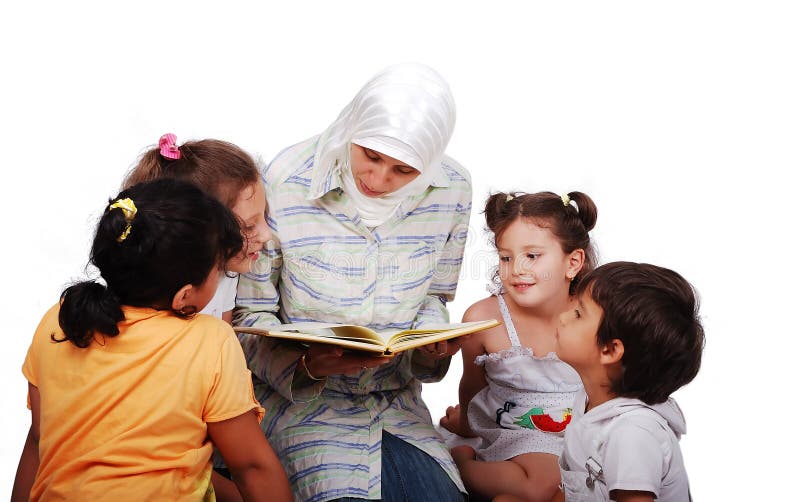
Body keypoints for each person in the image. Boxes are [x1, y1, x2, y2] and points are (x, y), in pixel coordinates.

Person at [235, 63, 472, 501]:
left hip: (398, 407)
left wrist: (431, 346)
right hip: (301, 408)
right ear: (354, 127)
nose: (379, 180)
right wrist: (307, 366)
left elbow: (434, 297)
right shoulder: (286, 179)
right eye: (372, 156)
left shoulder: (453, 189)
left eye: (404, 171)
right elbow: (248, 318)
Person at [11, 179, 291, 502]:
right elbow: (253, 467)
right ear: (184, 295)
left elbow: (38, 441)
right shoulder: (209, 340)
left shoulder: (59, 320)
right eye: (217, 268)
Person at [439, 191, 597, 501]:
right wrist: (466, 424)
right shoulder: (484, 319)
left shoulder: (592, 316)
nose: (516, 269)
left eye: (532, 256)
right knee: (537, 485)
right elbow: (471, 384)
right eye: (506, 257)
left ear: (573, 262)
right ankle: (462, 464)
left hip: (579, 434)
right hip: (517, 434)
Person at [552, 262, 704, 502]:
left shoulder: (633, 433)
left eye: (578, 314)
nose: (562, 317)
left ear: (611, 350)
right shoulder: (591, 399)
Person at [123, 133, 271, 322]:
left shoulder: (226, 273)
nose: (266, 235)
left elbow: (224, 341)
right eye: (249, 226)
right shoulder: (150, 300)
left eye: (265, 216)